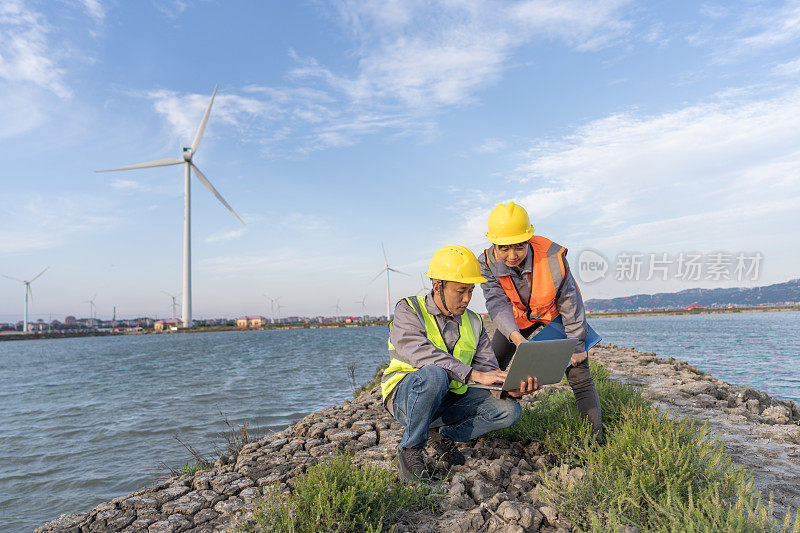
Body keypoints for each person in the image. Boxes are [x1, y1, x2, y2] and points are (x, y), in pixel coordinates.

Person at [381, 244, 539, 482]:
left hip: (448, 401)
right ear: (437, 287)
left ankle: (441, 435)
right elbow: (423, 354)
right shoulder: (409, 309)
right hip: (407, 398)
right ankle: (411, 450)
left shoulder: (474, 321)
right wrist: (474, 374)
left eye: (471, 291)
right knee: (435, 374)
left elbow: (487, 371)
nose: (467, 299)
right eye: (460, 291)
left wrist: (508, 389)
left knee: (509, 411)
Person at [479, 202, 604, 443]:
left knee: (580, 374)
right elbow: (496, 303)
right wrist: (517, 339)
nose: (512, 255)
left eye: (520, 246)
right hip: (516, 318)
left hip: (555, 314)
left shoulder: (552, 256)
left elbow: (570, 300)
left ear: (529, 238)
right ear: (494, 244)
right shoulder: (485, 262)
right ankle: (487, 425)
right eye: (504, 248)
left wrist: (576, 343)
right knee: (490, 367)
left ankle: (595, 443)